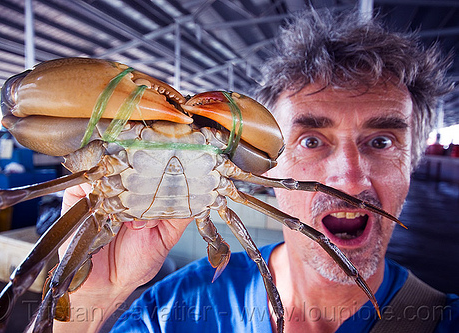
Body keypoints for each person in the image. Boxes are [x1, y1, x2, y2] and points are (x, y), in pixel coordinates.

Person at [53, 9, 458, 333]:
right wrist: (92, 302)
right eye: (311, 141)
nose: (349, 179)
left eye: (381, 142)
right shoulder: (171, 313)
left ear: (413, 160)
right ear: (267, 161)